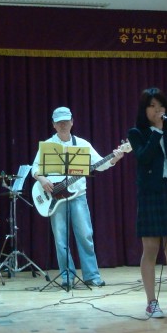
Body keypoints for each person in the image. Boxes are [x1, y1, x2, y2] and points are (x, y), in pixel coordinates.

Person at [32, 106, 125, 289]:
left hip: (78, 196)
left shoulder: (82, 144)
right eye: (59, 122)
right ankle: (67, 276)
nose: (63, 125)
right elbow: (35, 168)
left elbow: (99, 164)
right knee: (60, 240)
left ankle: (92, 276)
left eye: (66, 121)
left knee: (85, 236)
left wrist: (114, 158)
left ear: (72, 122)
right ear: (53, 125)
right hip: (55, 198)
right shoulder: (47, 145)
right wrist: (42, 179)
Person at [127, 88, 167, 318]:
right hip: (150, 193)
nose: (157, 110)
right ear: (144, 109)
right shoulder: (137, 133)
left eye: (160, 105)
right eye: (152, 105)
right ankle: (151, 302)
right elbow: (143, 158)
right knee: (151, 249)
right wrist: (157, 133)